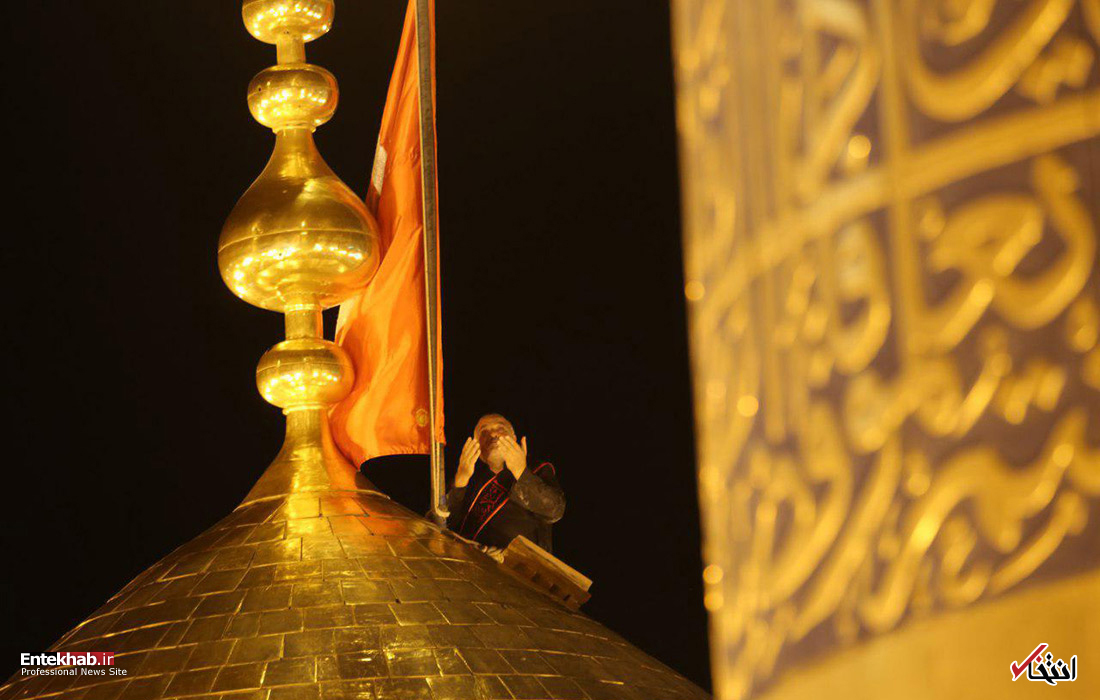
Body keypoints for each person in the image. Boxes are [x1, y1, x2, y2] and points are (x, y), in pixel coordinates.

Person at [446, 413, 565, 551]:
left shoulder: (537, 469)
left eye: (500, 428)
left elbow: (554, 511)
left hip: (521, 563)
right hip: (468, 560)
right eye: (484, 432)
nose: (493, 434)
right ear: (476, 445)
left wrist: (520, 471)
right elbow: (438, 521)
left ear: (513, 438)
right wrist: (460, 481)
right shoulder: (469, 478)